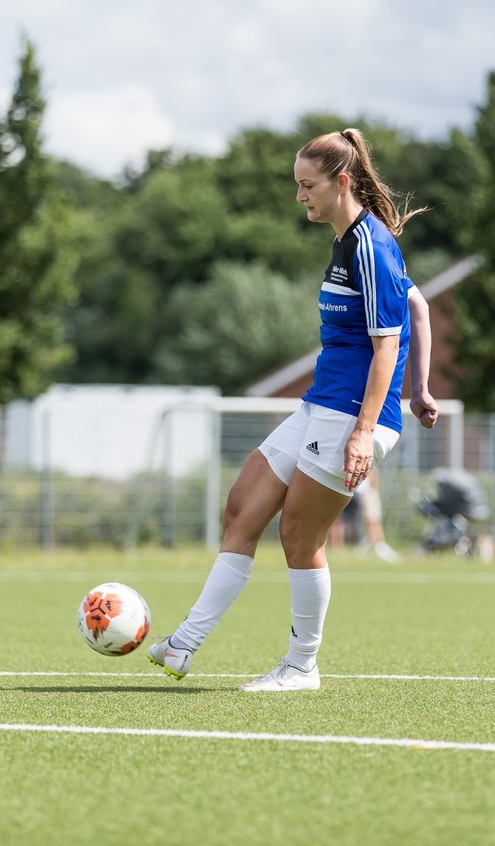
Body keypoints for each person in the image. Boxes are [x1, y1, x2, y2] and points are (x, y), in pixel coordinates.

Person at [148, 128, 438, 691]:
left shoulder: (370, 245)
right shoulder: (347, 238)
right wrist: (422, 387)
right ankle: (182, 646)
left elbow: (386, 344)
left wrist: (363, 433)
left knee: (300, 537)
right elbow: (419, 306)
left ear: (341, 182)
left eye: (308, 186)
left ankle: (302, 665)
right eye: (297, 185)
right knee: (241, 510)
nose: (299, 196)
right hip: (320, 406)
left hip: (353, 415)